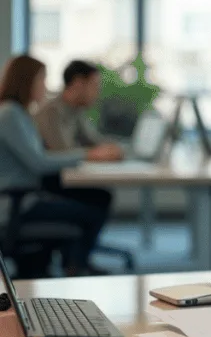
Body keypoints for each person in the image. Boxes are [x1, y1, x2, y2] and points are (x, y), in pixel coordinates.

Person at [0, 55, 122, 276]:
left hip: (26, 197)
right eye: (42, 80)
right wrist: (87, 155)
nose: (45, 86)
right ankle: (75, 267)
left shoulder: (19, 113)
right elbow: (38, 162)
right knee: (91, 211)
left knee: (96, 200)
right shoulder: (10, 114)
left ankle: (71, 265)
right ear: (26, 82)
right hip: (15, 203)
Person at [34, 59, 122, 216]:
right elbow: (61, 152)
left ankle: (83, 241)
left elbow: (94, 141)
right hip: (48, 182)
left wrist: (114, 148)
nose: (98, 92)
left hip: (63, 177)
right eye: (94, 86)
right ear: (78, 84)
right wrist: (95, 154)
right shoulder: (51, 112)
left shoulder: (76, 110)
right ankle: (80, 240)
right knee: (100, 198)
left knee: (103, 196)